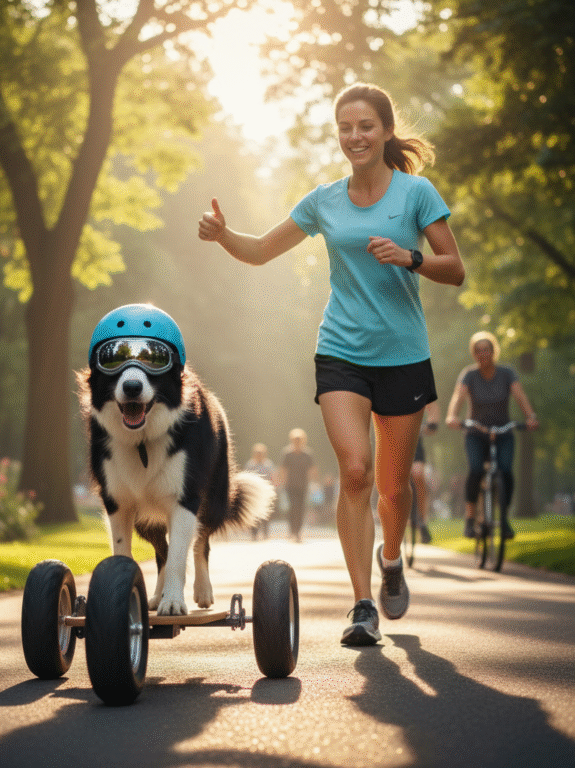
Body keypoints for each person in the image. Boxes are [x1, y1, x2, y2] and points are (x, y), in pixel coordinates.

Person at [198, 82, 464, 646]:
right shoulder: (324, 200)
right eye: (345, 127)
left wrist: (411, 257)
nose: (355, 136)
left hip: (404, 356)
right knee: (356, 473)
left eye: (365, 126)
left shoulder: (416, 194)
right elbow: (262, 249)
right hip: (341, 351)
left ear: (386, 131)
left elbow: (454, 267)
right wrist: (224, 237)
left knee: (394, 487)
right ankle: (362, 604)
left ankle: (391, 558)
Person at [445, 331, 538, 539]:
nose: (482, 354)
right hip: (476, 433)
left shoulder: (507, 373)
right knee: (476, 470)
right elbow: (457, 397)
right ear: (473, 354)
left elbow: (520, 395)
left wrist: (530, 416)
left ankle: (504, 520)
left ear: (493, 351)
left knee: (505, 471)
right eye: (478, 351)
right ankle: (470, 520)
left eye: (486, 349)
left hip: (503, 431)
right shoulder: (469, 375)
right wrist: (452, 416)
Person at [276, 429, 318, 542]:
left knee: (300, 509)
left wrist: (314, 482)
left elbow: (312, 470)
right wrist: (281, 482)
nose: (297, 442)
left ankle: (298, 532)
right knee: (292, 508)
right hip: (290, 486)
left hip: (303, 485)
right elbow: (283, 469)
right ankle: (291, 531)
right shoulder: (287, 453)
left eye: (299, 440)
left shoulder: (307, 454)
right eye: (295, 440)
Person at [410, 400, 440, 544]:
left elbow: (432, 406)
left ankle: (422, 520)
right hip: (391, 439)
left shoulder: (418, 383)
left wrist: (431, 423)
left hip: (415, 442)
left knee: (418, 474)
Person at [245, 443, 276, 539]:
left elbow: (273, 477)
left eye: (261, 453)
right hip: (253, 492)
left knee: (266, 512)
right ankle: (254, 534)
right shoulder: (250, 464)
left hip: (265, 492)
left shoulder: (268, 464)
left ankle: (265, 533)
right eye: (257, 453)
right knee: (253, 513)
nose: (259, 454)